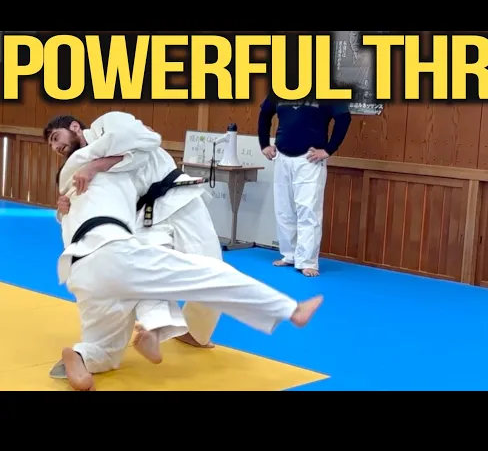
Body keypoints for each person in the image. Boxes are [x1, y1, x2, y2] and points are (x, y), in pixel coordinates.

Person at [54, 135, 324, 391]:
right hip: (119, 247)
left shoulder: (89, 176)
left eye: (57, 138)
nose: (56, 145)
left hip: (79, 268)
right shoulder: (98, 178)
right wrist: (85, 179)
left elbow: (134, 144)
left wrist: (77, 188)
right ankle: (289, 309)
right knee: (205, 274)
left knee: (108, 343)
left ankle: (84, 355)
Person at [45, 112, 223, 349]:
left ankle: (196, 332)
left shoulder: (105, 125)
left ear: (75, 127)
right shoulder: (79, 163)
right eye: (52, 145)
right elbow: (81, 200)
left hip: (178, 198)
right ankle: (153, 328)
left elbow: (142, 143)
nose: (56, 147)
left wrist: (96, 166)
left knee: (212, 268)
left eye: (56, 137)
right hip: (143, 216)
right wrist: (64, 207)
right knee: (143, 271)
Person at [258, 95, 352, 277]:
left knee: (308, 211)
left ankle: (307, 261)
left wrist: (329, 149)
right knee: (284, 210)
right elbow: (265, 113)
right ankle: (289, 255)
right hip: (282, 156)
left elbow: (344, 118)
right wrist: (264, 144)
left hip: (309, 159)